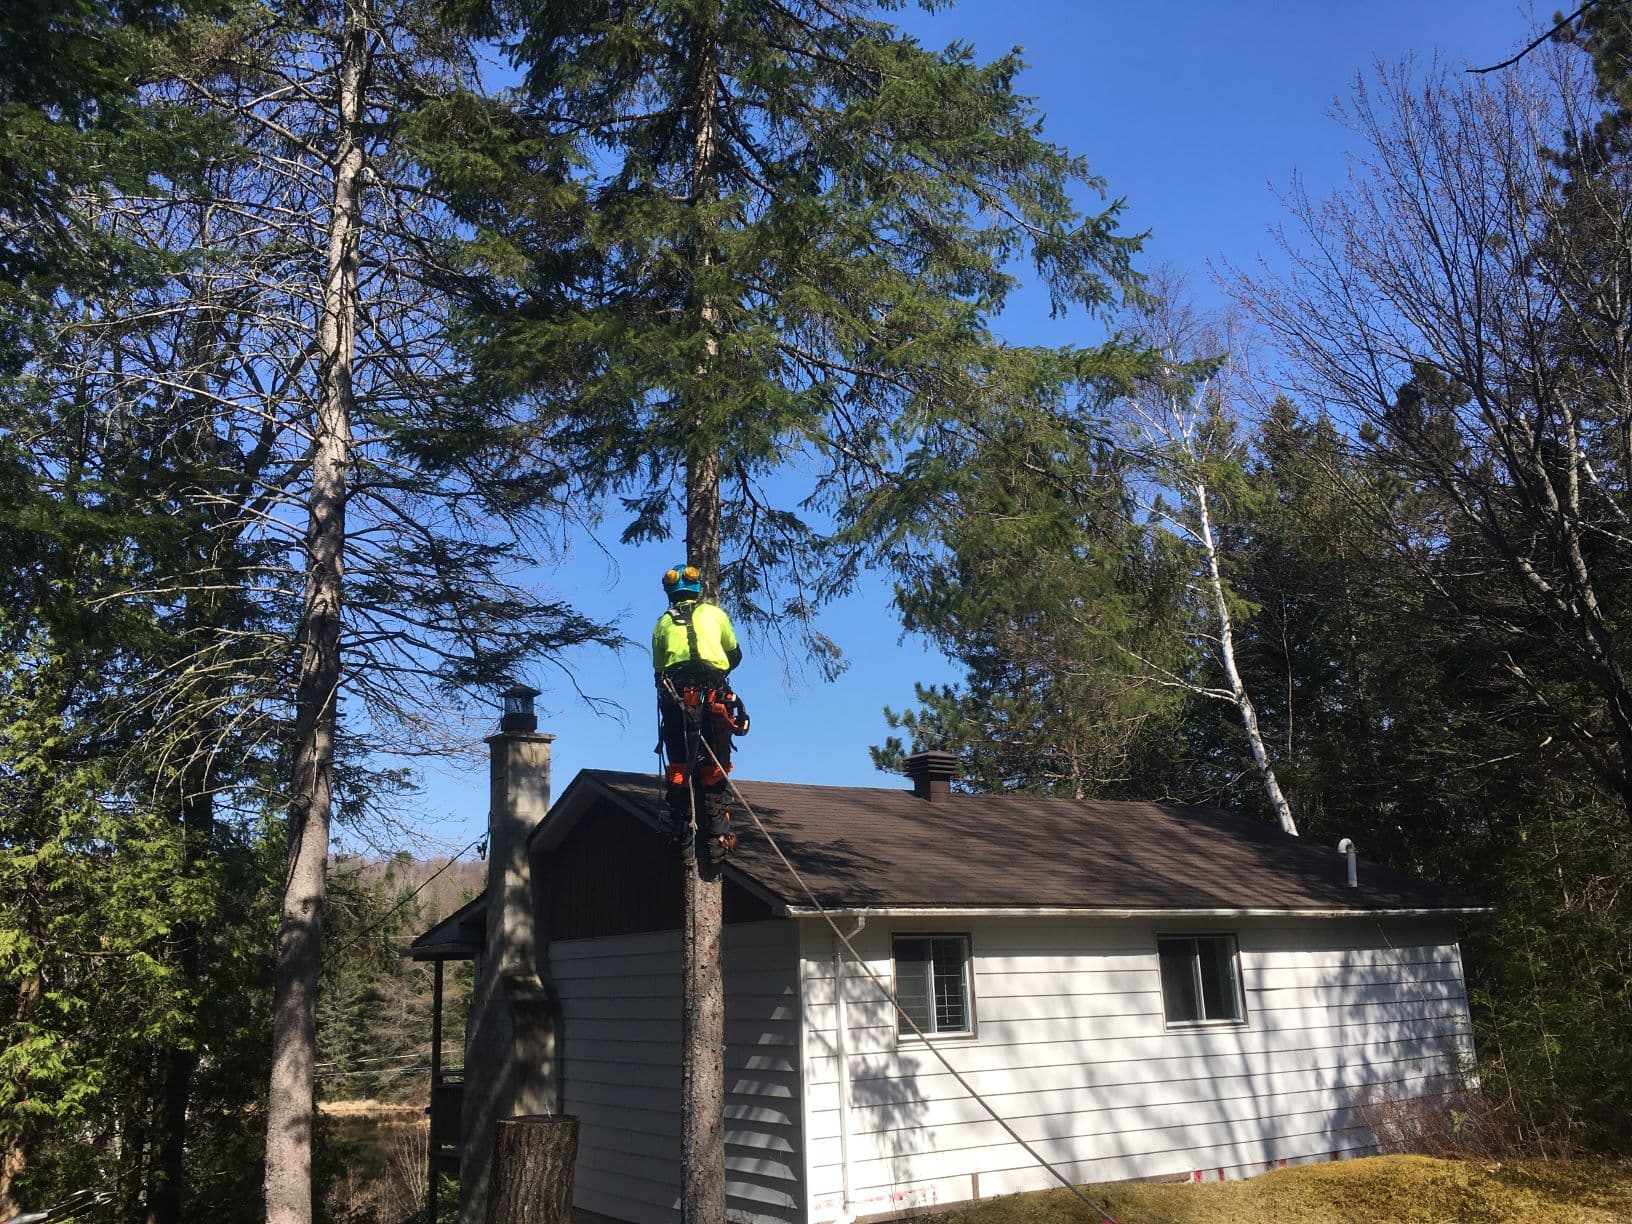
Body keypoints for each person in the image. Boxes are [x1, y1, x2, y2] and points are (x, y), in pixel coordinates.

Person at [652, 562, 747, 861]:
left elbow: (658, 669)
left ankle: (682, 834)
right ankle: (718, 836)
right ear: (698, 589)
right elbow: (734, 654)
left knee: (679, 763)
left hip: (677, 700)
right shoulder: (715, 615)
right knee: (716, 763)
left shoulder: (663, 623)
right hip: (711, 696)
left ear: (670, 592)